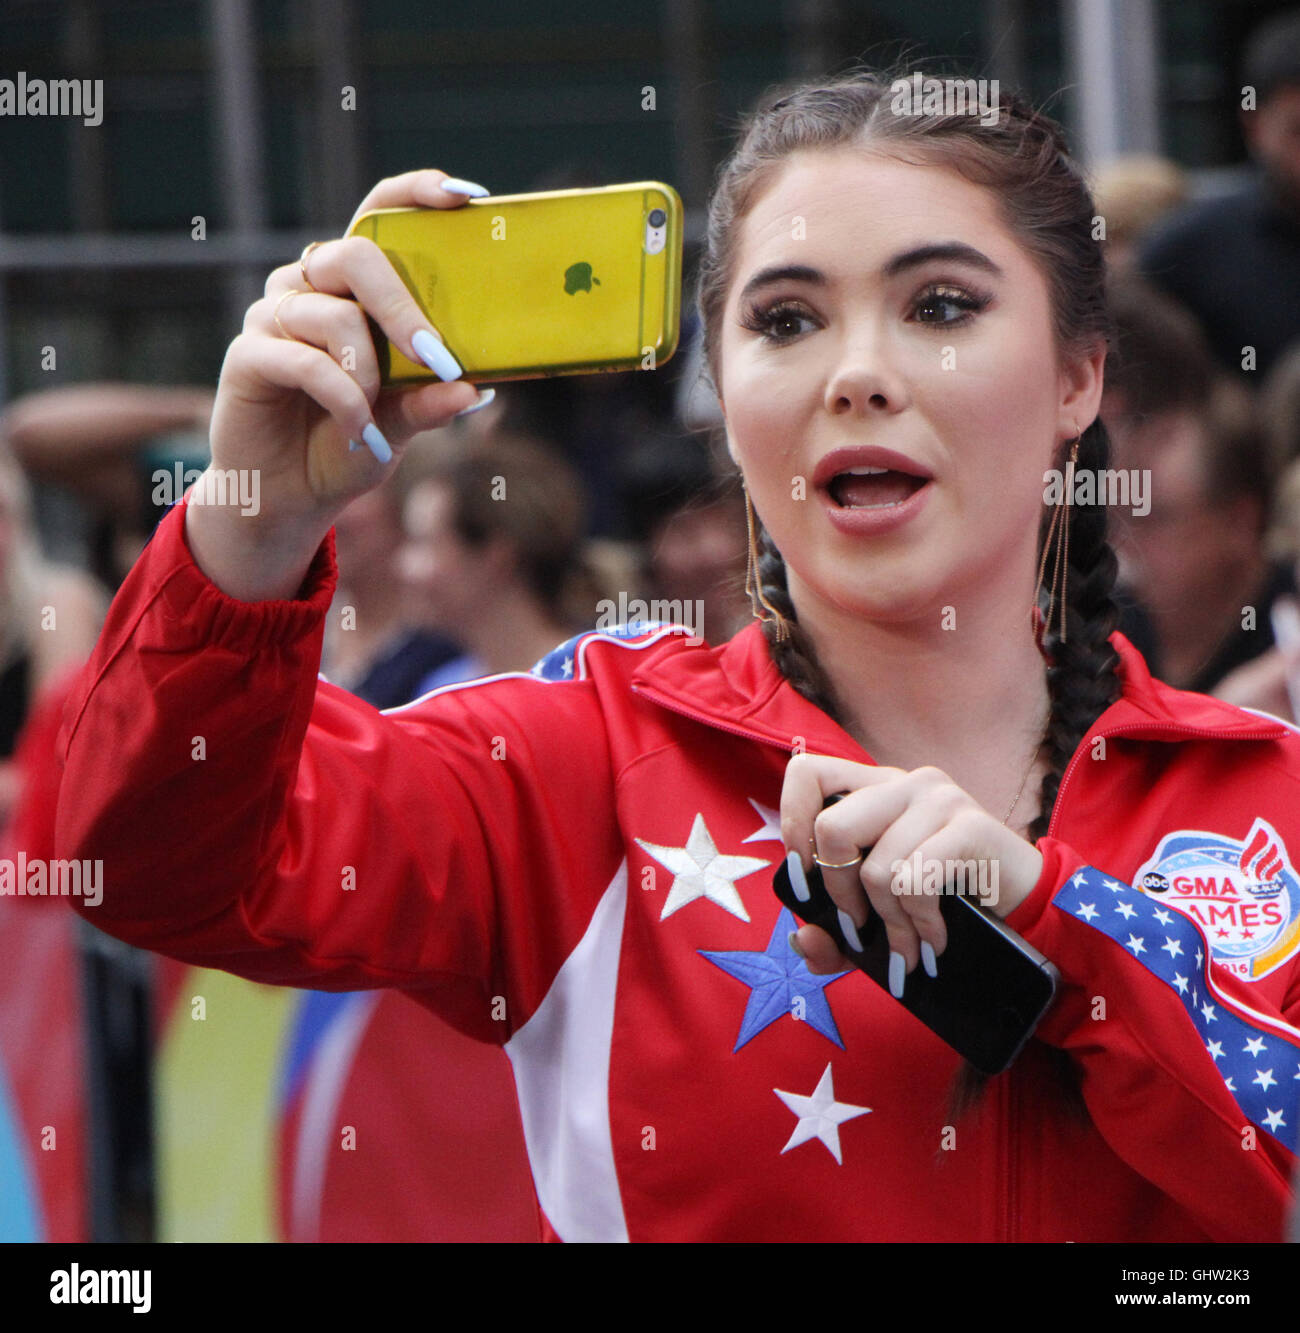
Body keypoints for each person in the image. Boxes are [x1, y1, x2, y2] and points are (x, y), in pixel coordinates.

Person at [54, 67, 1300, 1242]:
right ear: (726, 395)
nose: (858, 374)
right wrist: (251, 526)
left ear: (1078, 378)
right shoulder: (579, 763)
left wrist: (1063, 929)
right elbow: (157, 870)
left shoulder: (1267, 797)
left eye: (939, 306)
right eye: (786, 320)